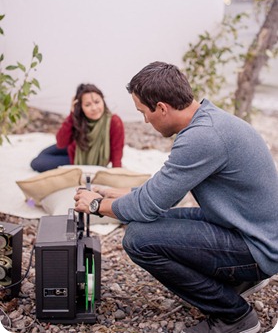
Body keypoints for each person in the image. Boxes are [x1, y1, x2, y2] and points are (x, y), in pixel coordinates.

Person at [74, 62, 278, 333]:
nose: (145, 120)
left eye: (143, 112)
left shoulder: (202, 137)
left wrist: (97, 205)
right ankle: (232, 285)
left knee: (138, 239)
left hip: (258, 246)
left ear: (161, 108)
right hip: (248, 226)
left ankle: (235, 318)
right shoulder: (209, 120)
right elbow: (166, 192)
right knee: (158, 220)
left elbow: (149, 206)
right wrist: (124, 194)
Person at [31, 83, 124, 172]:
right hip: (75, 147)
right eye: (88, 105)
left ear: (103, 100)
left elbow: (117, 151)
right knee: (43, 153)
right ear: (81, 107)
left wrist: (117, 172)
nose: (94, 108)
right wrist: (72, 113)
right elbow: (61, 143)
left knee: (37, 163)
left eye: (97, 102)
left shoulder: (114, 121)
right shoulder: (80, 118)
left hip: (78, 159)